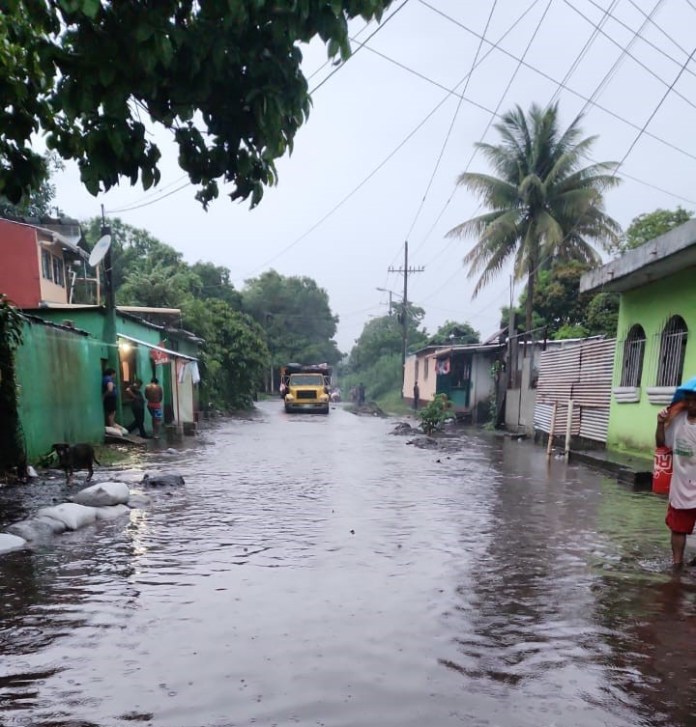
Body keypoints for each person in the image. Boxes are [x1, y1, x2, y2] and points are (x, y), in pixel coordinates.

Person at [656, 380, 696, 569]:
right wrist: (660, 423)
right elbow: (661, 444)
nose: (691, 405)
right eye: (689, 400)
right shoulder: (677, 419)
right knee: (678, 528)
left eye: (695, 400)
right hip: (681, 485)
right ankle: (677, 565)